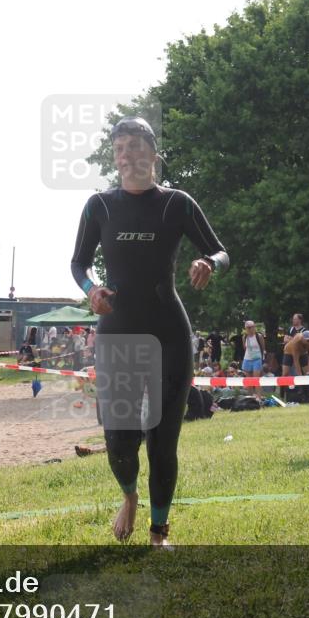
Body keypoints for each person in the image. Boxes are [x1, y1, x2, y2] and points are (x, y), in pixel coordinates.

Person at [70, 115, 227, 546]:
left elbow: (219, 250)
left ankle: (160, 532)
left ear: (153, 154)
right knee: (119, 441)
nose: (127, 155)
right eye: (120, 148)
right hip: (118, 333)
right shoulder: (99, 206)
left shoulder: (177, 203)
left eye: (136, 146)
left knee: (162, 441)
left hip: (168, 333)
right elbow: (78, 264)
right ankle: (129, 495)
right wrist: (91, 289)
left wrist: (208, 263)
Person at [241, 321, 265, 396]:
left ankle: (258, 397)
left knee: (256, 379)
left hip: (257, 359)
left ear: (254, 327)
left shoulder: (259, 336)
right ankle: (251, 397)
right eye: (247, 328)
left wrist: (262, 358)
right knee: (248, 381)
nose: (249, 329)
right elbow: (245, 348)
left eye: (251, 327)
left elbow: (263, 347)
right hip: (247, 359)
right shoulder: (244, 337)